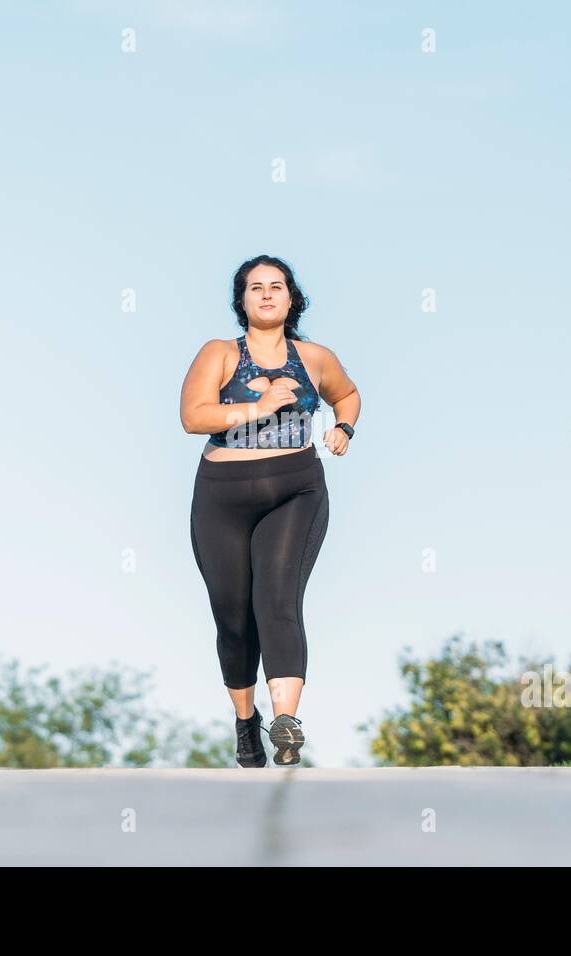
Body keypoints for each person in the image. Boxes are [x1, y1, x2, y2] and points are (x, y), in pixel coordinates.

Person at [179, 254, 361, 767]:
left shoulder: (315, 357)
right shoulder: (219, 353)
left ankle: (286, 724)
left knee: (278, 602)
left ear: (291, 297)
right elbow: (193, 416)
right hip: (222, 493)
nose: (265, 294)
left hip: (294, 488)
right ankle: (246, 722)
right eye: (254, 287)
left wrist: (343, 428)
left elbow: (346, 395)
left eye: (275, 286)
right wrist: (260, 407)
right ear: (241, 301)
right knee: (234, 618)